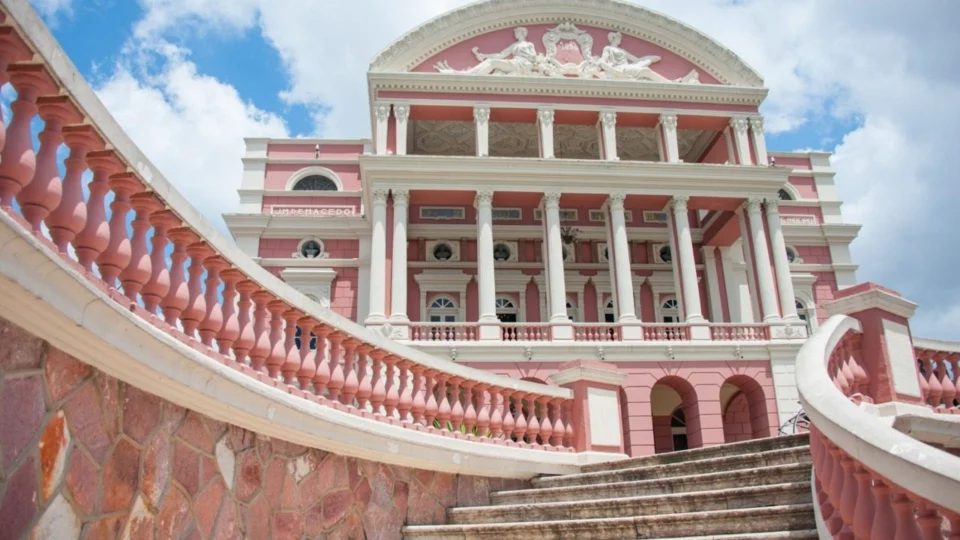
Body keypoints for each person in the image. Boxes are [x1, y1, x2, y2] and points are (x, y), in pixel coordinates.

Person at [436, 27, 539, 76]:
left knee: (492, 62)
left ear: (523, 33)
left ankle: (469, 74)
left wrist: (532, 59)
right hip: (515, 63)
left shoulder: (529, 44)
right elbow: (501, 55)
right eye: (515, 32)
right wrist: (484, 55)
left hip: (522, 64)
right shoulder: (514, 45)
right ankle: (469, 73)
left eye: (517, 32)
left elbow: (534, 58)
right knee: (491, 61)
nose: (515, 34)